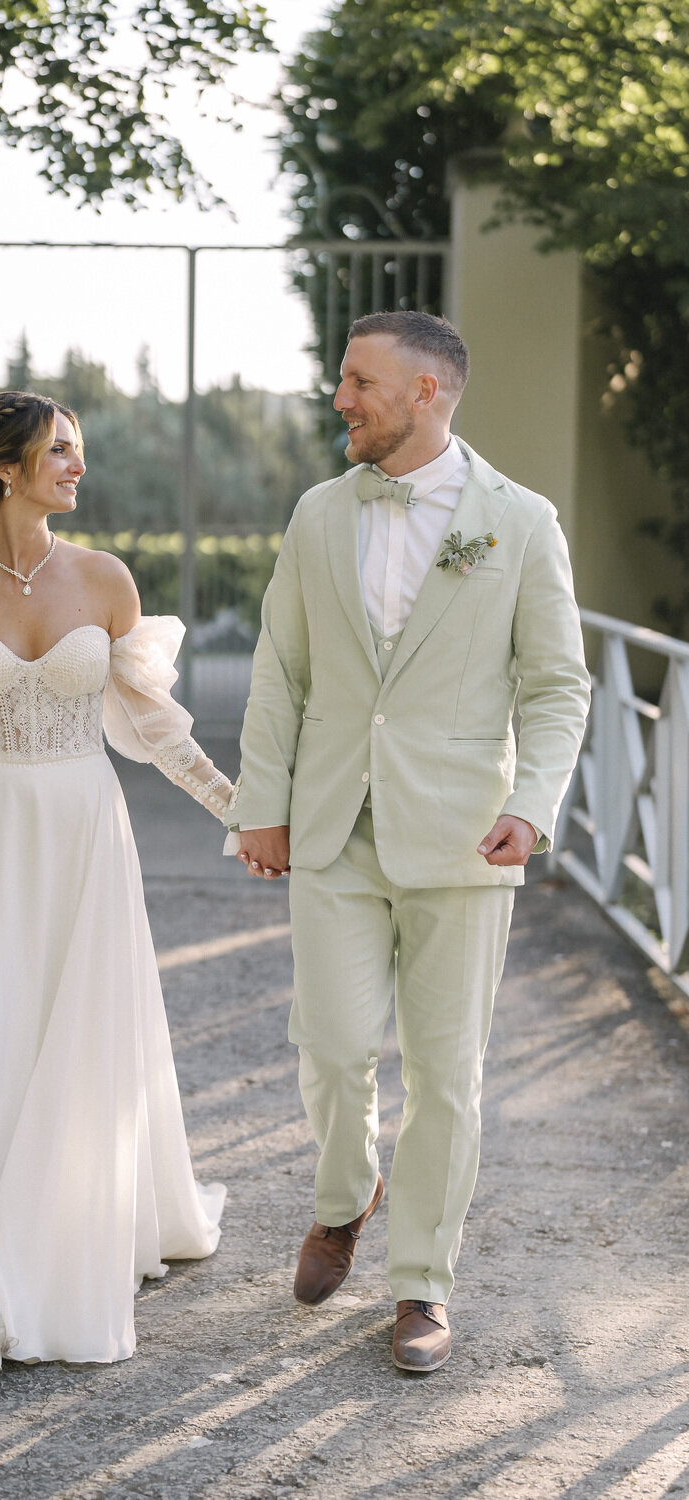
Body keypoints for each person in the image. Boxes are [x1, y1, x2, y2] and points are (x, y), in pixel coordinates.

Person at [226, 311, 590, 1373]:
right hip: (333, 824)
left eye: (359, 381)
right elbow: (277, 670)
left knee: (447, 1074)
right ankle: (346, 1198)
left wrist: (536, 801)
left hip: (467, 836)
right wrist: (262, 801)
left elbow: (558, 684)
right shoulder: (315, 514)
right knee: (333, 1045)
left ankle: (421, 1284)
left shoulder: (518, 522)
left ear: (428, 391)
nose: (340, 398)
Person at [0, 391, 231, 1384]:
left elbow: (155, 726)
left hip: (80, 836)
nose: (77, 466)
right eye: (60, 451)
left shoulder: (107, 580)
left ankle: (48, 1256)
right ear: (4, 467)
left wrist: (239, 812)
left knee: (66, 1052)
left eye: (78, 449)